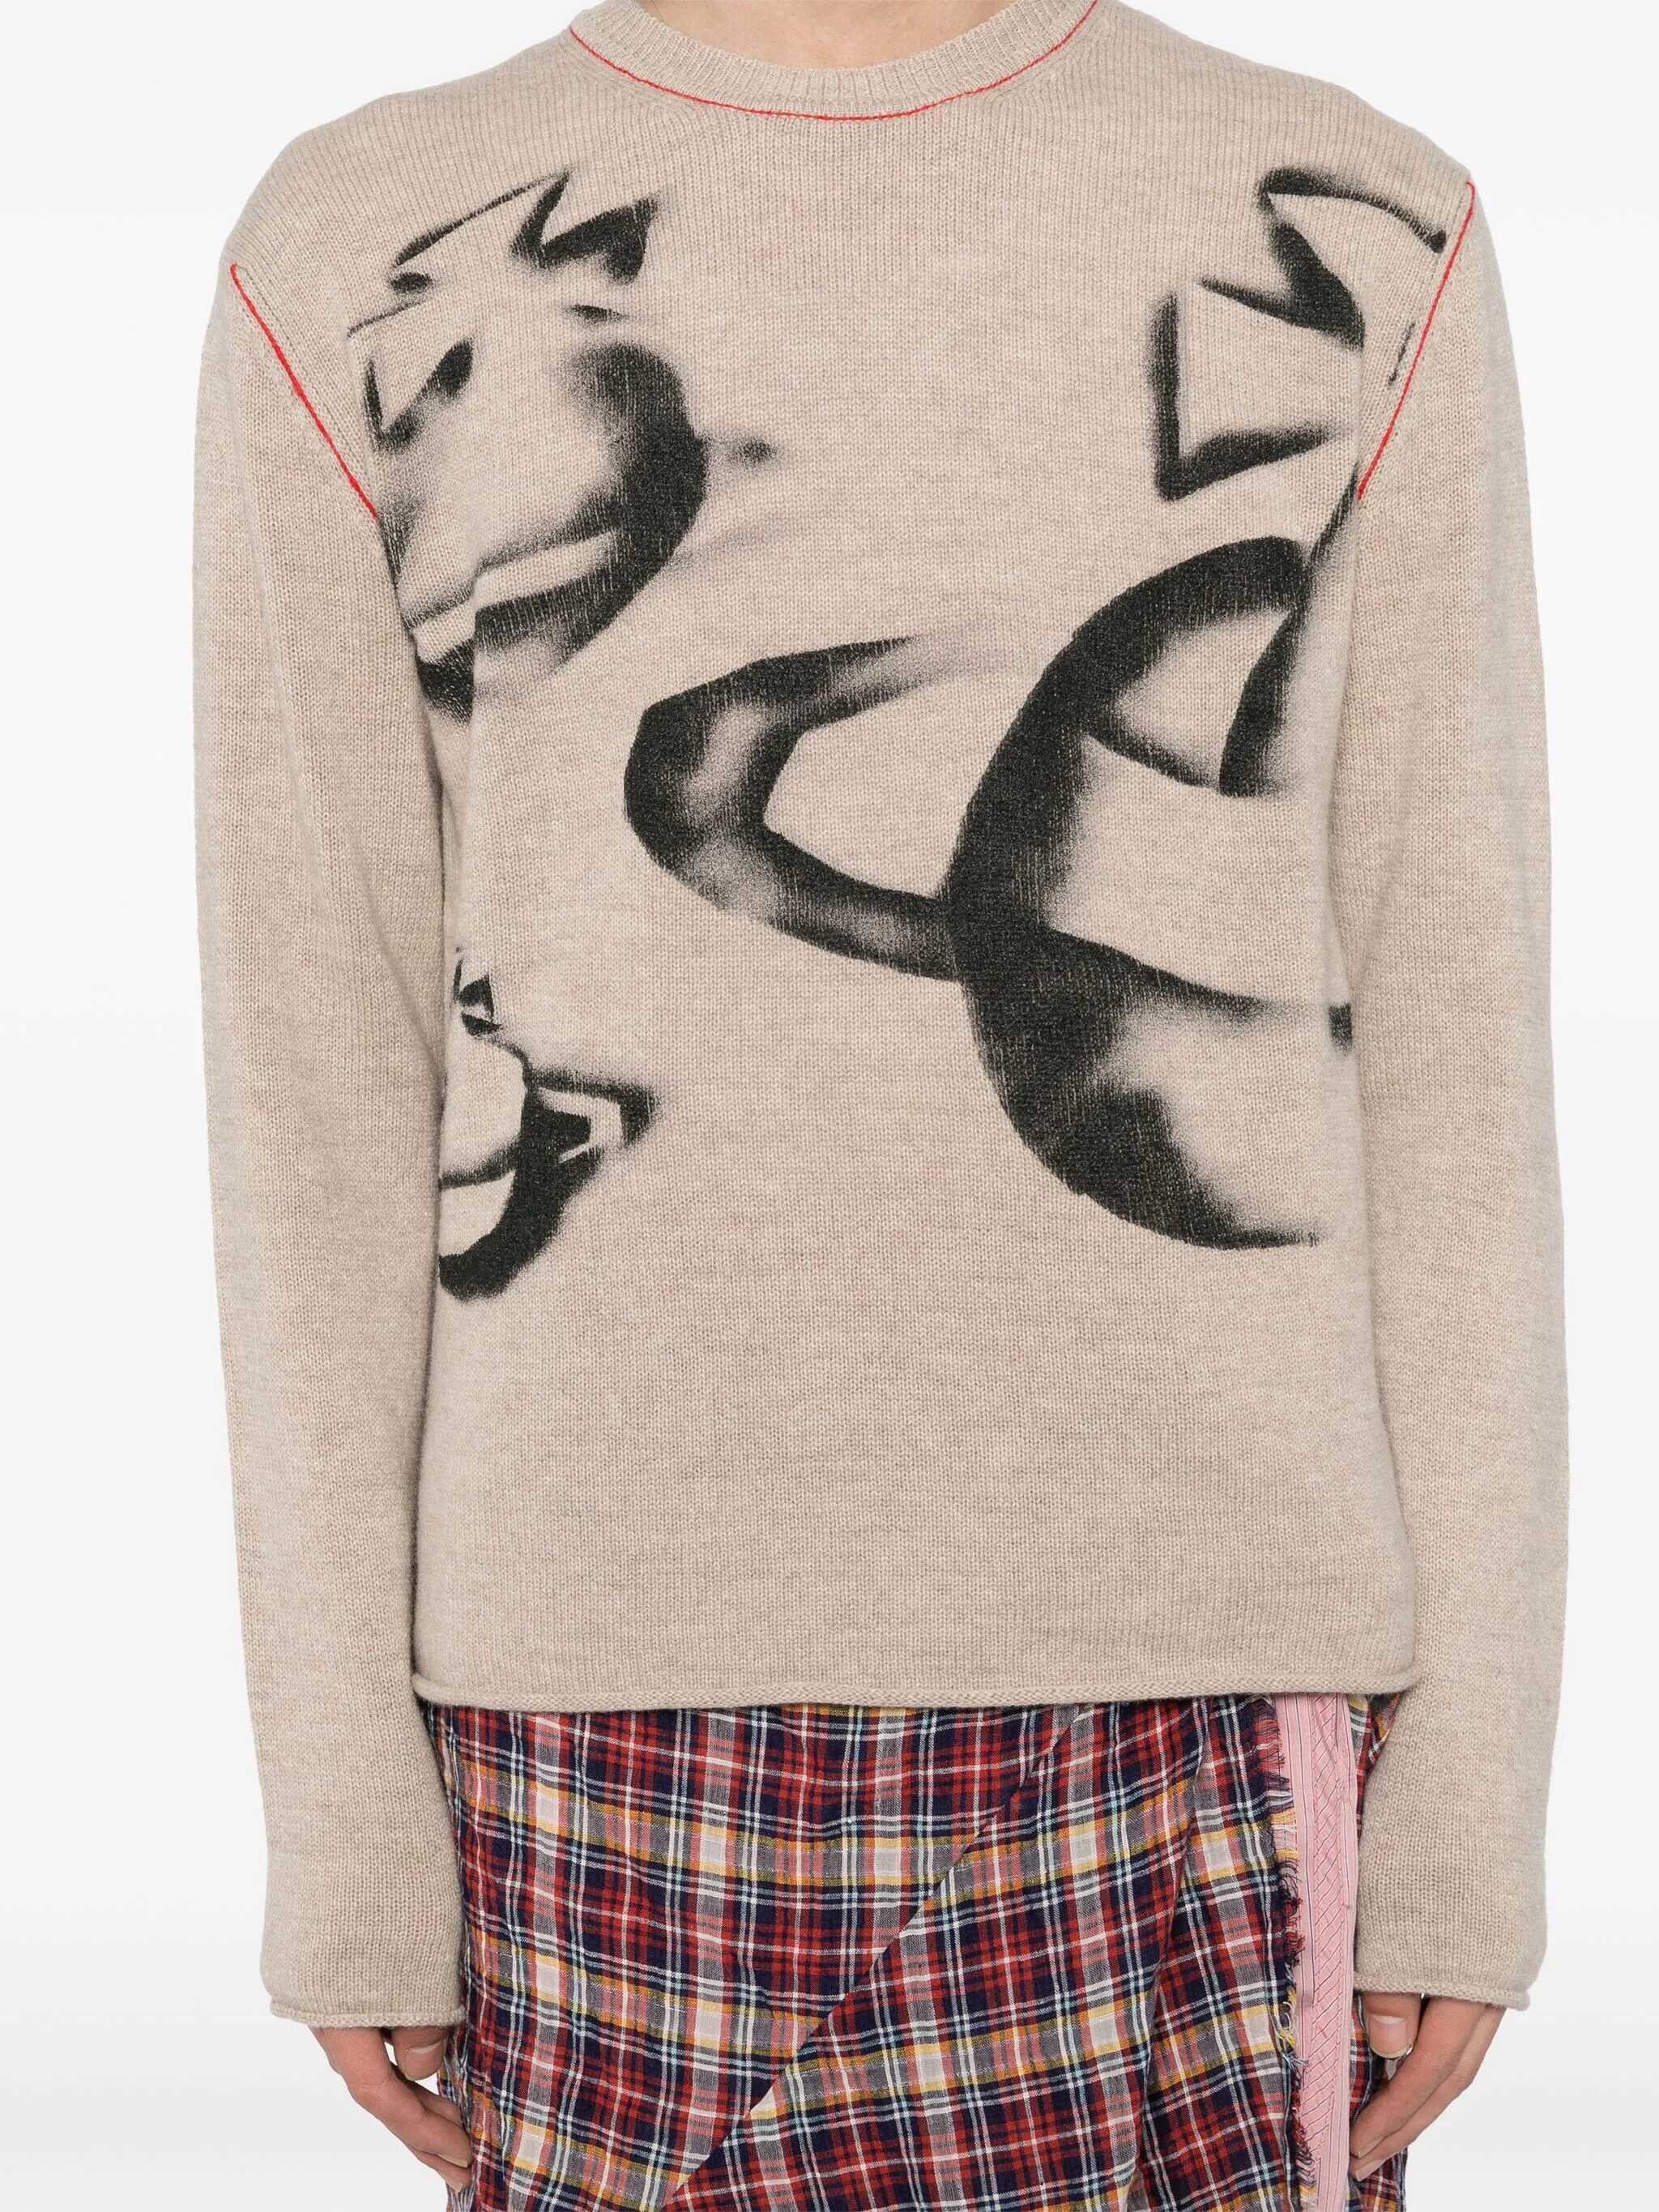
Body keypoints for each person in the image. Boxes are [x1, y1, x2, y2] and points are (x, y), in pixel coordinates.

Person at [193, 1, 1566, 2203]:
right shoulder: (364, 245)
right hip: (594, 1716)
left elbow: (1451, 1037)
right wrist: (347, 1815)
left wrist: (1471, 1801)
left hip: (1215, 1697)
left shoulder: (1360, 220)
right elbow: (321, 1074)